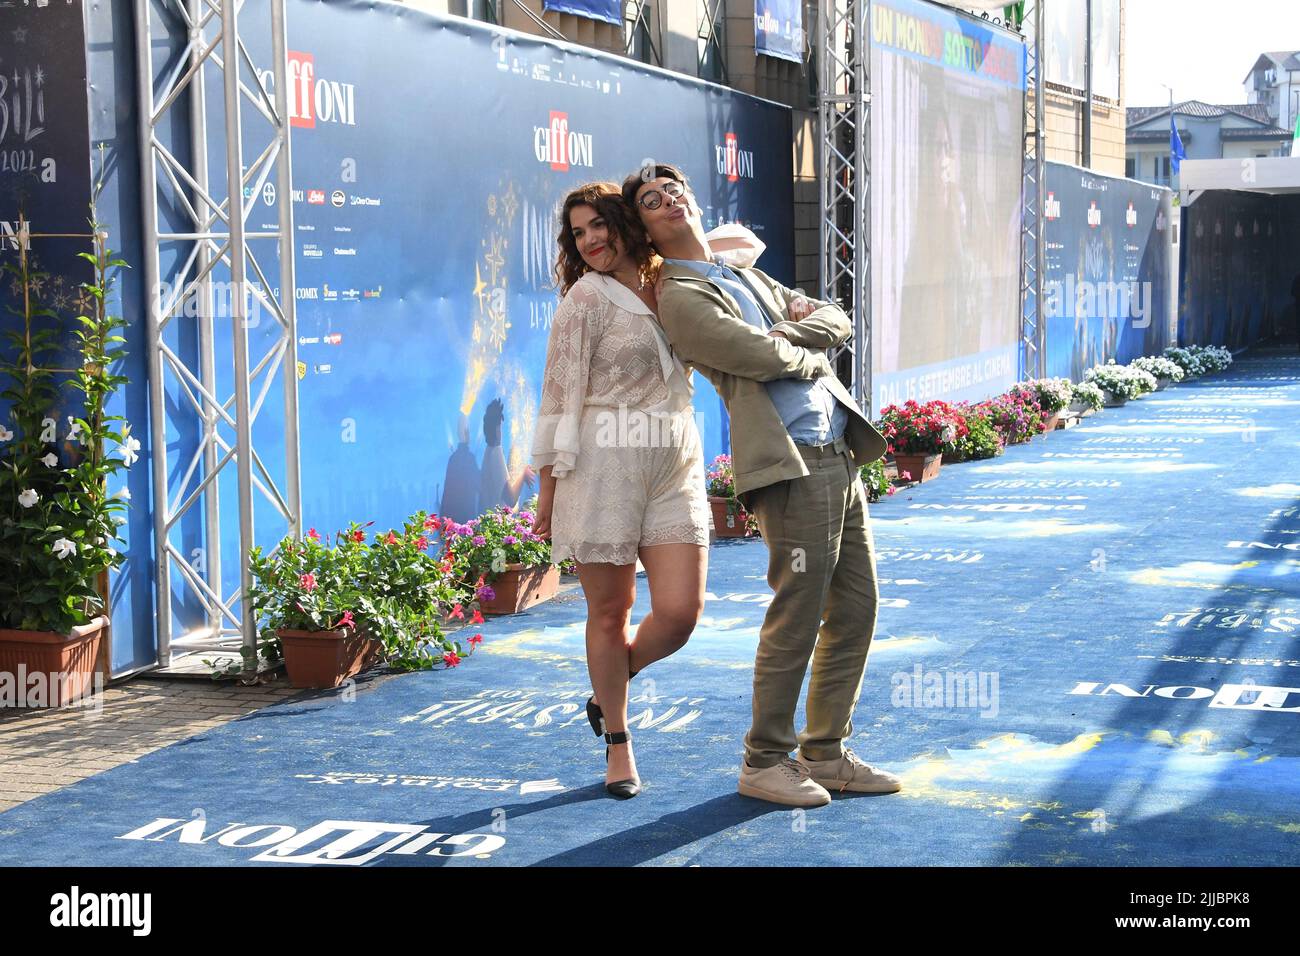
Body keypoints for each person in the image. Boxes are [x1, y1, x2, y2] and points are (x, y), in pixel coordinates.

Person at [624, 163, 902, 808]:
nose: (668, 201)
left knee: (856, 609)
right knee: (798, 612)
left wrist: (794, 331)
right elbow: (758, 356)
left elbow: (838, 318)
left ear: (692, 201)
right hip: (790, 463)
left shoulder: (743, 273)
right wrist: (799, 345)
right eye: (650, 201)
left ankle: (825, 754)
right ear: (643, 227)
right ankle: (764, 760)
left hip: (837, 450)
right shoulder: (680, 295)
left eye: (674, 191)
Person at [529, 182, 709, 799]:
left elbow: (735, 251)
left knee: (681, 614)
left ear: (624, 222)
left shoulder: (674, 281)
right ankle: (618, 743)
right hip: (601, 469)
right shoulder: (585, 298)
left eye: (599, 224)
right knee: (610, 613)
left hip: (674, 460)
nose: (591, 240)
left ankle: (612, 680)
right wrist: (548, 495)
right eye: (578, 233)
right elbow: (557, 400)